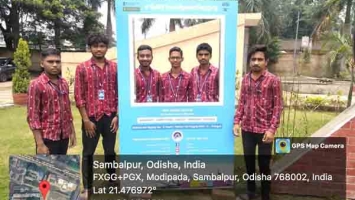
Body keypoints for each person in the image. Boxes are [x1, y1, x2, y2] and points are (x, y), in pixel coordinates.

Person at [233, 45, 283, 200]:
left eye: (260, 59)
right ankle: (250, 193)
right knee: (249, 165)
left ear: (266, 62)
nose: (256, 62)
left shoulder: (273, 80)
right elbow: (242, 103)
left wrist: (271, 130)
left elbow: (278, 107)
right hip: (247, 129)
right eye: (253, 59)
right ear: (249, 62)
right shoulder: (245, 80)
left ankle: (266, 195)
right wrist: (236, 122)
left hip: (264, 131)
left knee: (264, 166)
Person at [74, 33, 118, 197]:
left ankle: (112, 180)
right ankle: (87, 187)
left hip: (110, 117)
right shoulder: (82, 68)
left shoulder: (114, 67)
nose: (99, 49)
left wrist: (117, 116)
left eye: (102, 46)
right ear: (90, 48)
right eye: (95, 46)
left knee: (110, 151)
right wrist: (85, 120)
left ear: (107, 48)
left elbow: (120, 93)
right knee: (88, 153)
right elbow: (79, 96)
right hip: (91, 119)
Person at [27, 48, 76, 155]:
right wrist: (40, 144)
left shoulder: (63, 83)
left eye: (57, 62)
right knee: (47, 170)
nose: (54, 65)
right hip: (47, 137)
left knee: (61, 168)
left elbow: (67, 110)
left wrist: (72, 132)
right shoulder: (36, 84)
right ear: (42, 64)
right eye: (50, 62)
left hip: (64, 136)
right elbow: (33, 117)